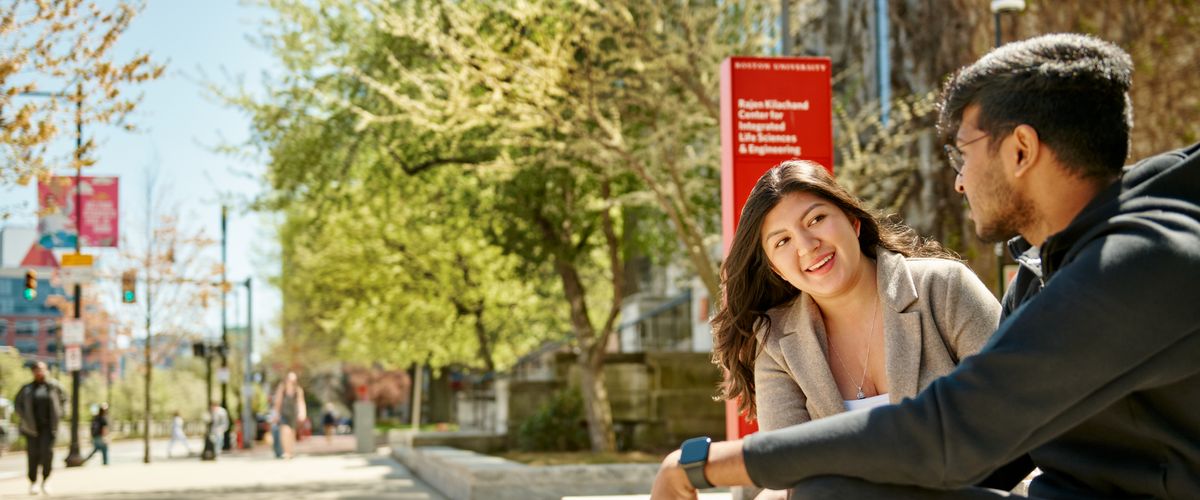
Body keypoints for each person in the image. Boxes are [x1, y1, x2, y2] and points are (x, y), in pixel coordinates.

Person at [650, 33, 1200, 499]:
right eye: (781, 243)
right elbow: (995, 449)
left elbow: (951, 427)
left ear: (1020, 150)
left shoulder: (1140, 262)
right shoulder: (1040, 272)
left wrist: (705, 463)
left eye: (964, 152)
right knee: (830, 493)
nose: (959, 180)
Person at [710, 160, 1015, 498]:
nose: (807, 244)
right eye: (782, 241)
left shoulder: (944, 287)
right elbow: (788, 468)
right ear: (775, 269)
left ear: (853, 222)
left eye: (816, 219)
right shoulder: (776, 341)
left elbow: (1008, 413)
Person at [13, 361, 67, 495]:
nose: (40, 372)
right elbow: (17, 404)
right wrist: (24, 417)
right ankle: (33, 482)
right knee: (33, 455)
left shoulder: (53, 386)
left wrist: (61, 413)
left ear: (46, 370)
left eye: (42, 369)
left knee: (47, 454)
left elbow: (65, 399)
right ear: (33, 372)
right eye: (37, 370)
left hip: (49, 428)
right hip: (31, 428)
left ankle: (46, 480)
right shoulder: (27, 388)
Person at [271, 372, 307, 459]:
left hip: (293, 415)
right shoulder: (282, 389)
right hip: (283, 414)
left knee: (292, 433)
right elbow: (277, 403)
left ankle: (290, 451)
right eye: (290, 379)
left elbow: (301, 403)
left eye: (294, 380)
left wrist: (302, 413)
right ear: (286, 379)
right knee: (285, 431)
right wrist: (275, 415)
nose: (292, 381)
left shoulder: (298, 390)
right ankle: (286, 452)